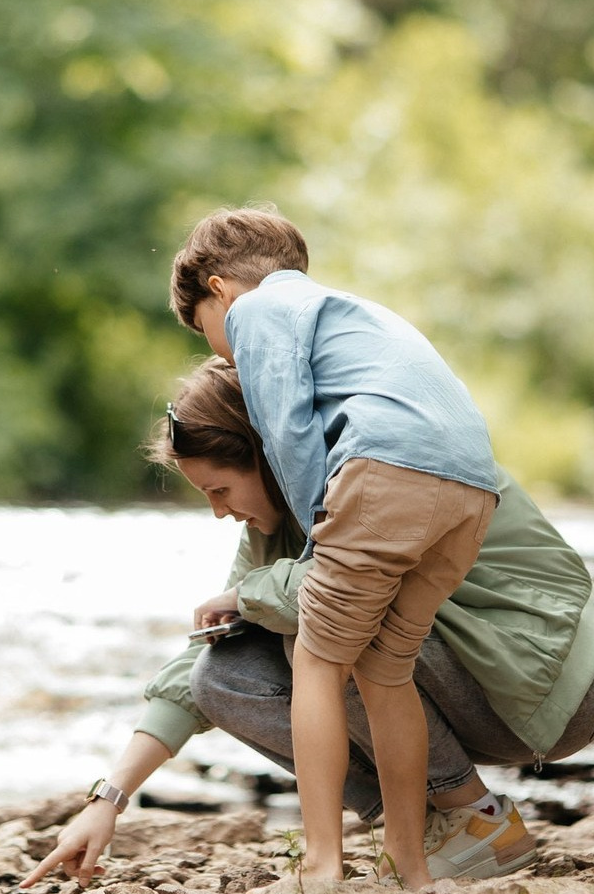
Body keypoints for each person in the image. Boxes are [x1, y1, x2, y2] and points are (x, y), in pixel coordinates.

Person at [19, 359, 594, 891]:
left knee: (325, 622)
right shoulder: (272, 522)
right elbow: (200, 664)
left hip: (552, 684)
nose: (219, 510)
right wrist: (111, 798)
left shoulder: (374, 465)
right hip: (475, 687)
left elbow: (310, 599)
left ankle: (473, 819)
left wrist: (249, 594)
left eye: (221, 489)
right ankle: (435, 823)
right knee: (220, 674)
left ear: (265, 455)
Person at [167, 207, 502, 890]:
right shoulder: (350, 312)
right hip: (470, 489)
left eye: (203, 325)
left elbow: (287, 430)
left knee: (315, 657)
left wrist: (321, 542)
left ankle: (322, 866)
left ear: (219, 287)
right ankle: (410, 867)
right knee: (385, 670)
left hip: (387, 469)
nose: (217, 348)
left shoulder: (257, 312)